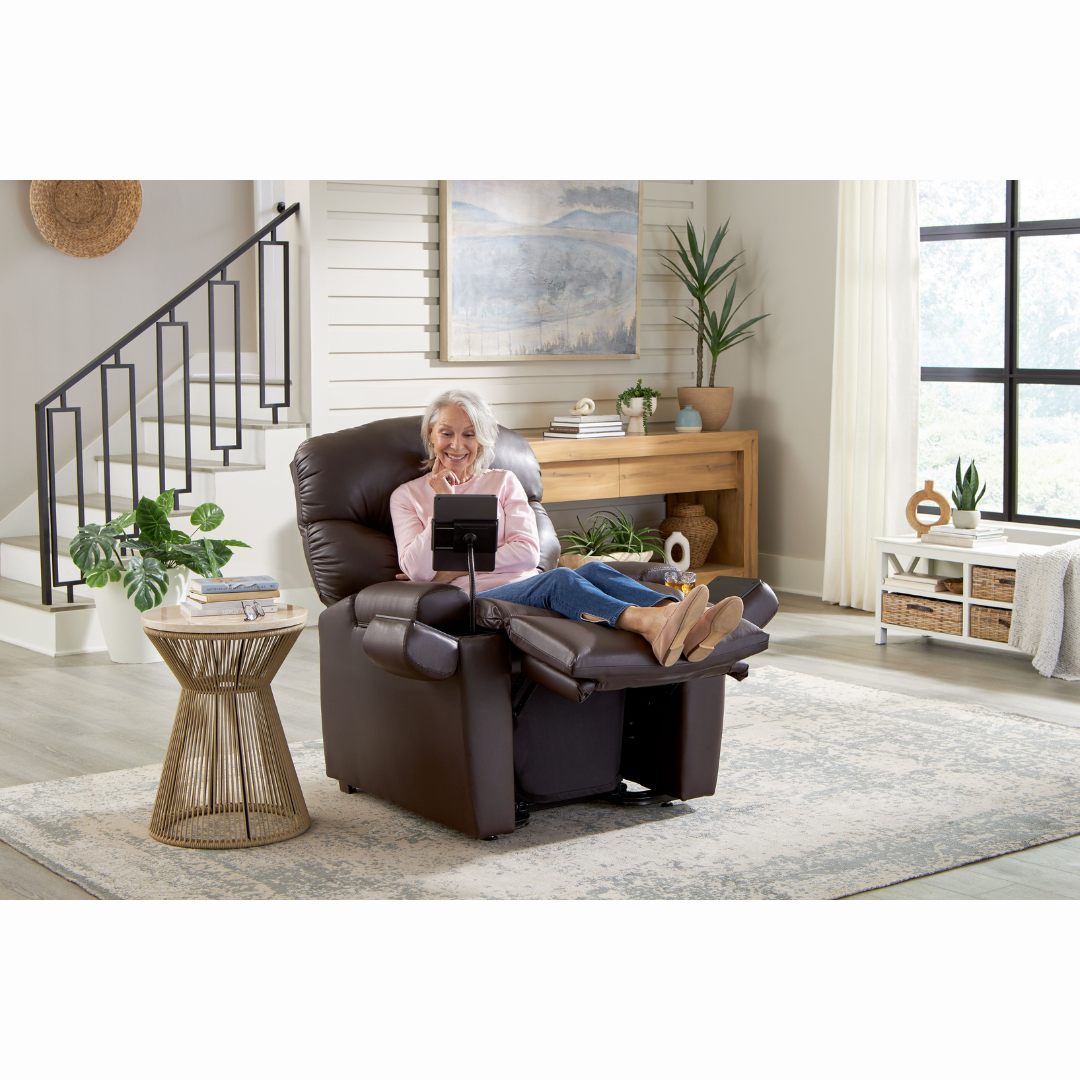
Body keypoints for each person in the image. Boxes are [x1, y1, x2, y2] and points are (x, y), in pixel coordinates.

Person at [390, 389, 743, 667]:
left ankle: (686, 617)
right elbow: (417, 570)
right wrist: (443, 505)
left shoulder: (503, 482)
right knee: (560, 578)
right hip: (474, 599)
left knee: (593, 569)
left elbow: (528, 553)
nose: (457, 445)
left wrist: (448, 568)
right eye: (446, 433)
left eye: (469, 434)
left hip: (524, 583)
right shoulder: (407, 496)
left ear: (481, 439)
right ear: (430, 436)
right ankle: (649, 622)